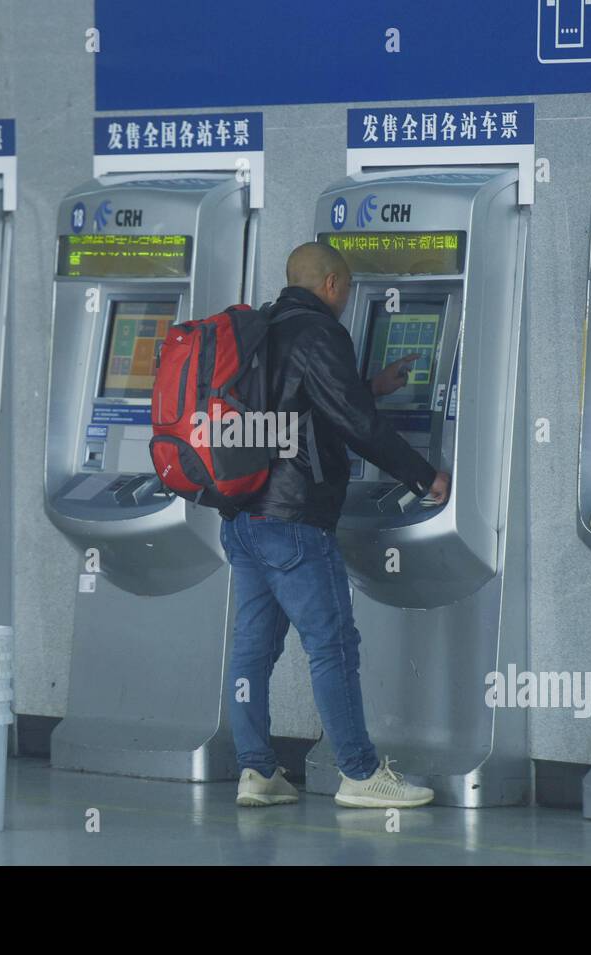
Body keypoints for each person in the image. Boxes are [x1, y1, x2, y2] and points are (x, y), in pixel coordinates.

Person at [222, 241, 451, 809]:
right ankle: (360, 772)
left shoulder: (259, 328)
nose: (348, 300)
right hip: (294, 519)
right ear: (331, 284)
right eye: (348, 289)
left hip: (243, 515)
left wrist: (371, 384)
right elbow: (355, 424)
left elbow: (302, 402)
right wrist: (424, 477)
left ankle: (256, 772)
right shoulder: (319, 332)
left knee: (252, 650)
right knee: (332, 646)